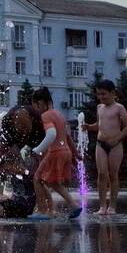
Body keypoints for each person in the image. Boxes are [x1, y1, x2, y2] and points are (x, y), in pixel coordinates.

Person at [26, 87, 81, 220]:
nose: (37, 111)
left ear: (40, 103)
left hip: (55, 152)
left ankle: (43, 211)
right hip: (65, 150)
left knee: (37, 178)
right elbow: (67, 135)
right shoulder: (59, 114)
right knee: (52, 182)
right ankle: (74, 205)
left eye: (36, 107)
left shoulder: (46, 115)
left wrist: (36, 150)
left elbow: (51, 134)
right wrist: (75, 153)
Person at [85, 80, 127, 215]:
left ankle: (112, 207)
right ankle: (102, 207)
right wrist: (89, 127)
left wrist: (116, 139)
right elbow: (99, 125)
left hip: (115, 145)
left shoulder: (119, 108)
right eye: (99, 94)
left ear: (112, 93)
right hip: (101, 144)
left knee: (113, 175)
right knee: (102, 174)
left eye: (104, 94)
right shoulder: (100, 108)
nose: (101, 97)